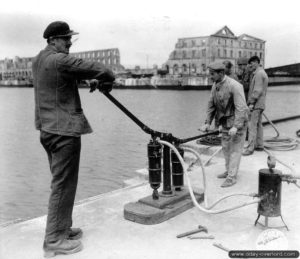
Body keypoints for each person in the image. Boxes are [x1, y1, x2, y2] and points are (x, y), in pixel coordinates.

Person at [32, 21, 115, 257]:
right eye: (66, 38)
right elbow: (104, 70)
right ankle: (54, 241)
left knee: (62, 183)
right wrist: (105, 77)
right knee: (63, 185)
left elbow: (58, 81)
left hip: (47, 131)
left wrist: (85, 80)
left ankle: (63, 228)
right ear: (53, 40)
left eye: (70, 38)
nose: (70, 42)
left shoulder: (39, 59)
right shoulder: (60, 59)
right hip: (64, 132)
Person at [200, 61, 249, 187]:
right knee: (226, 148)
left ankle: (232, 177)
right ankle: (228, 171)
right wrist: (207, 123)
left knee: (235, 150)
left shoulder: (235, 86)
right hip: (226, 123)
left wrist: (236, 126)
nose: (210, 77)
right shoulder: (215, 85)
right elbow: (211, 105)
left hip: (238, 123)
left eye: (212, 74)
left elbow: (241, 108)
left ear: (221, 73)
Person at [242, 56, 269, 156]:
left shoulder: (258, 74)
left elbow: (257, 90)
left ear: (257, 62)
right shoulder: (262, 73)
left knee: (252, 125)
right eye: (249, 63)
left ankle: (250, 148)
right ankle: (259, 145)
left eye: (252, 63)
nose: (250, 65)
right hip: (261, 104)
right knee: (259, 124)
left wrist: (251, 103)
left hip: (256, 104)